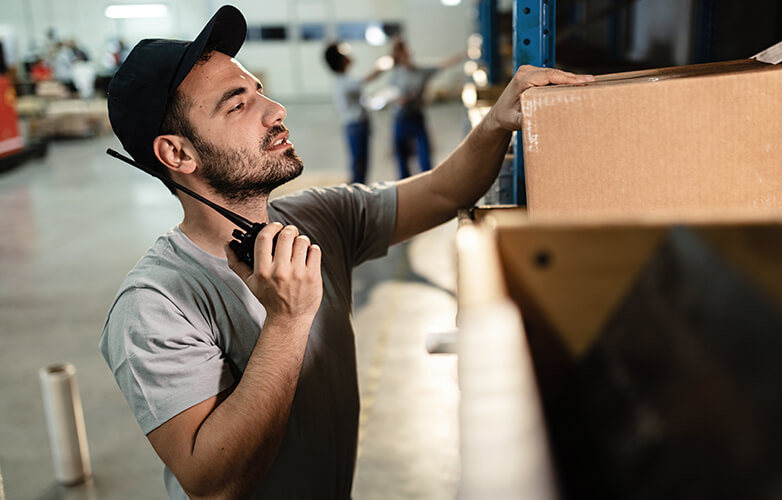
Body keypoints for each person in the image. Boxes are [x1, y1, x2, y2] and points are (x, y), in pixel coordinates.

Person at [99, 5, 592, 499]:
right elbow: (216, 485)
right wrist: (287, 321)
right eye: (238, 105)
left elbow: (444, 191)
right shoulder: (154, 305)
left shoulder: (318, 218)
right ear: (177, 153)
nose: (276, 111)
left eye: (260, 91)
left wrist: (496, 123)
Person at [389, 37, 465, 178]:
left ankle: (427, 180)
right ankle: (404, 184)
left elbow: (443, 64)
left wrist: (465, 53)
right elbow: (392, 94)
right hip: (400, 119)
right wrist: (399, 100)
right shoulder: (395, 74)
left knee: (424, 155)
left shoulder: (421, 72)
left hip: (416, 117)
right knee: (402, 157)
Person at [323, 42, 384, 184]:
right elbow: (370, 77)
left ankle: (357, 190)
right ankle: (356, 193)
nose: (350, 55)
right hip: (356, 127)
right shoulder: (344, 82)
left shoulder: (344, 80)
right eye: (345, 53)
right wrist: (386, 62)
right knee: (359, 166)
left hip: (356, 126)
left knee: (359, 164)